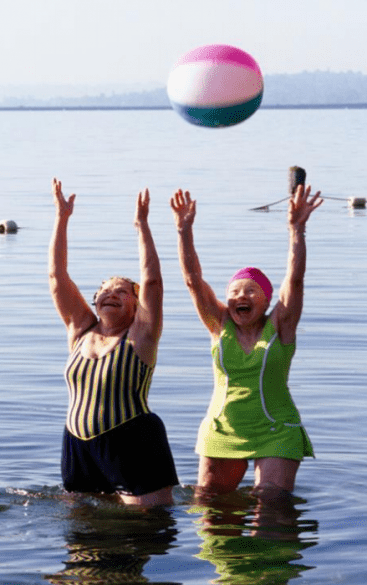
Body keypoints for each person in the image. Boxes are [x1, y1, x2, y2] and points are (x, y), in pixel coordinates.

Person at [170, 184, 323, 496]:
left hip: (276, 429)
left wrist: (297, 229)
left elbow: (294, 281)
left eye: (250, 291)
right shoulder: (218, 325)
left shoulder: (281, 326)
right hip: (223, 430)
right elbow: (192, 281)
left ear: (266, 301)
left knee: (272, 508)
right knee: (214, 514)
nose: (241, 295)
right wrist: (184, 230)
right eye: (235, 291)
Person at [49, 179, 179, 507]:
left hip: (133, 440)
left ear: (136, 306)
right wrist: (61, 218)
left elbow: (152, 281)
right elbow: (56, 277)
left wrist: (142, 226)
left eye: (122, 290)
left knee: (143, 532)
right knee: (83, 539)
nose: (111, 292)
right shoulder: (80, 330)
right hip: (77, 445)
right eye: (105, 289)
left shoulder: (141, 336)